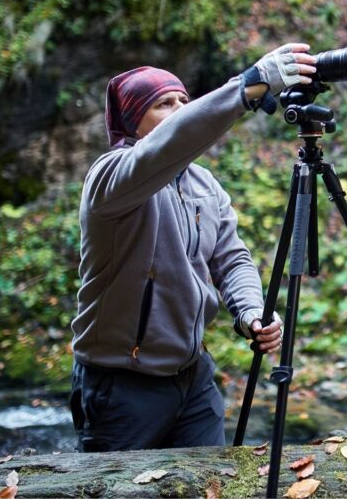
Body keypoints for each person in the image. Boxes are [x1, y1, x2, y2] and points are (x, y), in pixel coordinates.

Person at [69, 43, 318, 451]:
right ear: (134, 119)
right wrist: (247, 86)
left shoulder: (203, 184)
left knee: (211, 485)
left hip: (194, 378)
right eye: (164, 104)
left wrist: (250, 312)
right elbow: (173, 141)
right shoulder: (110, 178)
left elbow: (231, 258)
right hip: (122, 385)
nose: (180, 110)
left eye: (184, 101)